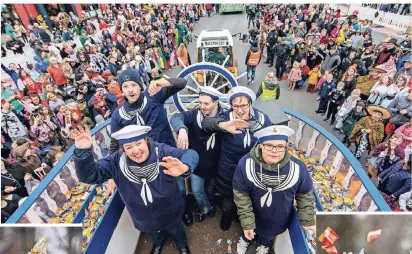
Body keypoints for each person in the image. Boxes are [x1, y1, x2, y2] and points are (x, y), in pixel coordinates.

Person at [72, 125, 198, 254]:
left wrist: (185, 167)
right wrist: (82, 150)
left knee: (177, 231)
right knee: (155, 234)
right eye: (129, 147)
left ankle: (183, 246)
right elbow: (89, 176)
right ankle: (159, 243)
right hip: (144, 217)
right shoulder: (115, 162)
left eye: (138, 143)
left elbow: (190, 154)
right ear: (123, 150)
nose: (136, 150)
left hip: (170, 211)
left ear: (146, 141)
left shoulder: (161, 151)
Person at [109, 69, 193, 225]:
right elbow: (115, 144)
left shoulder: (154, 95)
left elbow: (182, 83)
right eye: (126, 86)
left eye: (133, 85)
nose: (130, 89)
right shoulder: (118, 115)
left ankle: (184, 211)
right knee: (160, 193)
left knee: (179, 186)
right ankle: (167, 219)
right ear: (122, 90)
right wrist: (111, 174)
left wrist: (163, 82)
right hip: (144, 160)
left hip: (168, 152)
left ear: (141, 86)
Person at [233, 125, 316, 254]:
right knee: (248, 230)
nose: (274, 150)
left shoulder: (298, 168)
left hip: (278, 217)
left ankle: (264, 245)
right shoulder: (245, 164)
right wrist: (247, 222)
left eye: (280, 146)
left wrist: (308, 220)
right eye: (268, 145)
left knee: (268, 236)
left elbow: (304, 194)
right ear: (260, 145)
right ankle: (245, 240)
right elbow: (241, 195)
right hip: (253, 213)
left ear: (286, 146)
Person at [201, 86, 272, 230]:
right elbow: (206, 124)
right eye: (235, 106)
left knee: (247, 198)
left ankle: (241, 219)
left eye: (243, 105)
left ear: (250, 104)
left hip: (251, 169)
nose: (239, 110)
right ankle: (227, 216)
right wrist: (223, 125)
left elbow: (271, 138)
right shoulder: (226, 117)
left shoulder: (263, 119)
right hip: (229, 169)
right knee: (228, 199)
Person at [170, 86, 225, 222]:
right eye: (200, 103)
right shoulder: (194, 115)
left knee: (210, 190)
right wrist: (182, 129)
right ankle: (205, 209)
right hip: (197, 167)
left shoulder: (225, 118)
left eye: (206, 103)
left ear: (216, 102)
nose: (202, 106)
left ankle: (208, 205)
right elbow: (176, 117)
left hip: (215, 167)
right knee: (198, 192)